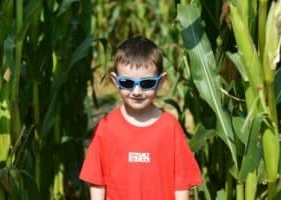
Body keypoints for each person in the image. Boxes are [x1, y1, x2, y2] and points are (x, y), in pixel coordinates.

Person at [79, 36, 202, 200]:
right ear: (116, 81)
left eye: (147, 83)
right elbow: (97, 182)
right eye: (128, 83)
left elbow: (181, 183)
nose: (136, 91)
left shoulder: (170, 127)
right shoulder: (106, 127)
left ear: (161, 81)